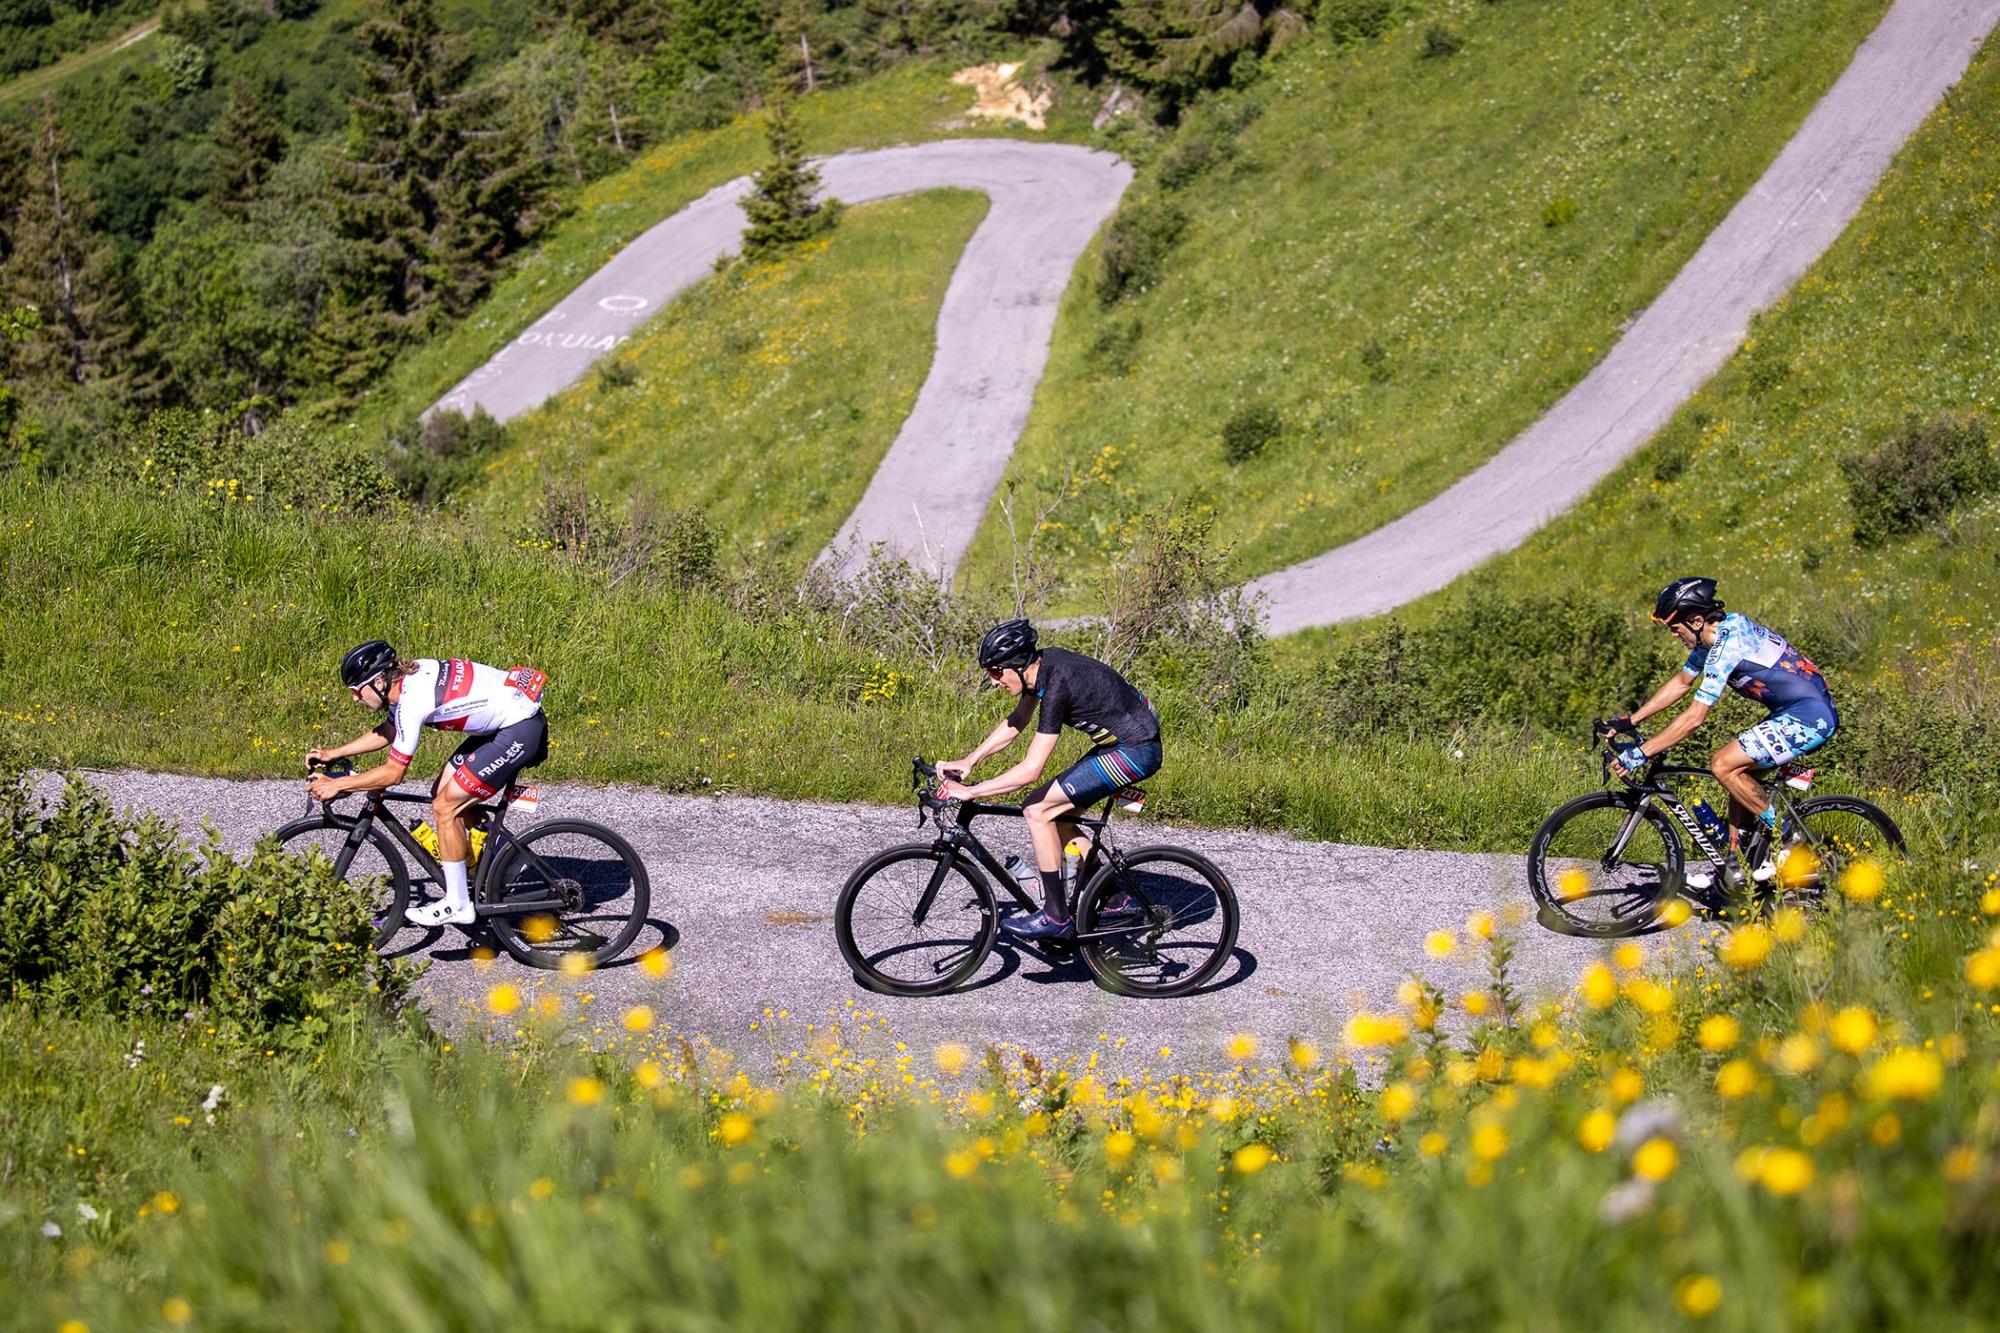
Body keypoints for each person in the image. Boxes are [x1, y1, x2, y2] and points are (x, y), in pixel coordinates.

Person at [938, 619, 1162, 939]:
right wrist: (970, 760)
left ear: (1017, 665)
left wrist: (971, 792)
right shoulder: (1040, 669)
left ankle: (1056, 918)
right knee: (1058, 817)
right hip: (1122, 743)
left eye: (996, 672)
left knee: (1036, 809)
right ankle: (1115, 899)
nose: (993, 681)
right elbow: (1017, 720)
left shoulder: (1058, 683)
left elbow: (1031, 770)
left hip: (1136, 750)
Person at [1606, 577, 1837, 886]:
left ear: (1697, 620)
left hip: (1810, 716)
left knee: (1723, 764)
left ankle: (1789, 839)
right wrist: (1631, 721)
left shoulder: (1728, 644)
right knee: (1739, 777)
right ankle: (1736, 869)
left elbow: (1694, 718)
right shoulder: (1714, 635)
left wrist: (1642, 752)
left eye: (1675, 628)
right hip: (1794, 711)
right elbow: (1682, 682)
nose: (1674, 635)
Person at [306, 640, 549, 927]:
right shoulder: (409, 681)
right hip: (507, 722)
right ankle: (504, 859)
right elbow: (389, 730)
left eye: (357, 691)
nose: (355, 699)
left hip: (519, 730)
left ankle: (458, 903)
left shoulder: (414, 700)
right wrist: (335, 753)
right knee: (441, 793)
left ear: (380, 681)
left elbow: (394, 773)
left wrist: (339, 785)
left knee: (446, 807)